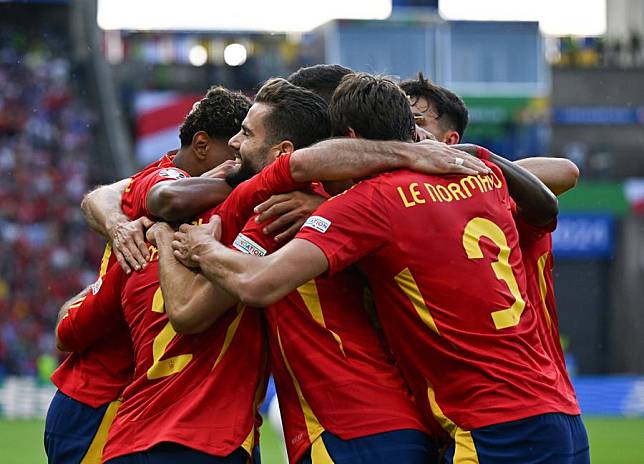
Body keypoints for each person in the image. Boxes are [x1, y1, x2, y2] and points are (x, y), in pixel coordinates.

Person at [174, 73, 589, 463]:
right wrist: (477, 154)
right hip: (559, 412)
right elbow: (551, 196)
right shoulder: (483, 179)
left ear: (348, 141)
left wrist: (200, 247)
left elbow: (249, 286)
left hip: (481, 427)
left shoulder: (361, 205)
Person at [152, 78, 466, 464]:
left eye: (246, 134)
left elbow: (189, 312)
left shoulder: (276, 211)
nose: (234, 142)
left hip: (347, 430)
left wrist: (173, 240)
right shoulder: (358, 202)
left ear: (282, 152)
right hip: (396, 427)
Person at [45, 86, 251, 464]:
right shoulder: (167, 188)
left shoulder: (193, 199)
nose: (243, 160)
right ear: (203, 146)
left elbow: (100, 197)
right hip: (101, 401)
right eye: (235, 153)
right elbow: (164, 197)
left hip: (145, 408)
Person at [402, 72, 583, 424]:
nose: (410, 135)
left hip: (520, 396)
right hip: (450, 406)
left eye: (418, 123)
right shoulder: (402, 204)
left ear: (450, 139)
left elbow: (565, 171)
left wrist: (468, 162)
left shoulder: (496, 199)